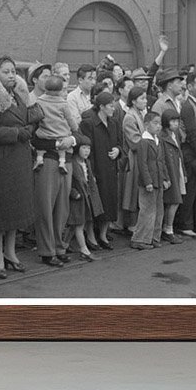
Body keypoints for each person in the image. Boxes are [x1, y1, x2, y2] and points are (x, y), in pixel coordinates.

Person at [0, 55, 41, 278]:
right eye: (6, 71)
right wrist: (17, 133)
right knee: (0, 212)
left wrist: (28, 129)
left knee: (15, 210)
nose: (12, 75)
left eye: (13, 71)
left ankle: (11, 253)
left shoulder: (19, 97)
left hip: (19, 160)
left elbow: (30, 120)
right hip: (0, 162)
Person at [81, 91, 122, 250]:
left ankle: (103, 235)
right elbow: (86, 149)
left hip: (111, 170)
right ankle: (91, 237)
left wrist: (118, 150)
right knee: (94, 206)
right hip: (96, 170)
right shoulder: (89, 122)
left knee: (109, 203)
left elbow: (120, 142)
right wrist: (90, 173)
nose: (113, 108)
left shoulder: (115, 123)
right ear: (102, 107)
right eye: (111, 106)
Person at [177, 71, 196, 238]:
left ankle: (194, 224)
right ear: (189, 87)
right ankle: (185, 224)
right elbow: (191, 133)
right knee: (189, 191)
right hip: (191, 153)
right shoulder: (188, 106)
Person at [132, 109, 168, 250]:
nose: (158, 126)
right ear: (147, 124)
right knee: (147, 210)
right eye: (155, 123)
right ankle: (139, 238)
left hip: (158, 180)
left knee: (159, 210)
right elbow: (142, 163)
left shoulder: (158, 141)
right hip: (149, 182)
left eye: (159, 123)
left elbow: (162, 161)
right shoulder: (144, 142)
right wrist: (147, 182)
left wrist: (166, 178)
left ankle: (154, 237)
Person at [119, 85, 148, 240]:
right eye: (142, 98)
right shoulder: (130, 117)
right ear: (133, 100)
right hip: (134, 159)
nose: (145, 101)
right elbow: (135, 142)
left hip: (141, 157)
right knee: (133, 192)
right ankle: (131, 226)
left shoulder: (139, 114)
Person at [67, 133, 102, 262]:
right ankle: (84, 249)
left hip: (86, 197)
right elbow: (68, 181)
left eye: (88, 148)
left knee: (77, 225)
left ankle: (64, 245)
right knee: (78, 224)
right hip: (77, 198)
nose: (86, 151)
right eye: (83, 148)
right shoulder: (72, 162)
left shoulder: (87, 162)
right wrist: (73, 192)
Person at [34, 74, 74, 173]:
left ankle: (39, 159)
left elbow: (36, 118)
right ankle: (62, 162)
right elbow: (70, 119)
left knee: (40, 149)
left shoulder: (39, 101)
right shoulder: (63, 104)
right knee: (62, 150)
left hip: (44, 134)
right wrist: (75, 128)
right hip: (60, 134)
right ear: (60, 90)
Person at [159, 108, 186, 244]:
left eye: (177, 121)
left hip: (177, 169)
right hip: (170, 172)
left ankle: (167, 228)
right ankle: (167, 229)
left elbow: (180, 155)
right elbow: (162, 159)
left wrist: (184, 173)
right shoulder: (162, 137)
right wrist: (165, 177)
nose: (175, 124)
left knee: (175, 200)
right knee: (173, 200)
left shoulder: (176, 135)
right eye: (173, 121)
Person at [66, 64, 97, 130]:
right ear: (80, 80)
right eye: (90, 79)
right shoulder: (72, 97)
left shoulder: (97, 94)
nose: (94, 82)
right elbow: (76, 122)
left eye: (95, 79)